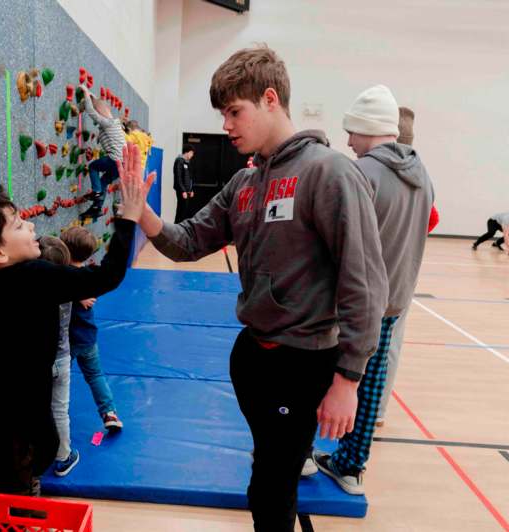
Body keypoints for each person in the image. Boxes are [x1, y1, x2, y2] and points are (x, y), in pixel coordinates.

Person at [132, 45, 388, 531]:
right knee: (269, 470)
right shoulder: (244, 182)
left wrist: (348, 381)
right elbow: (188, 242)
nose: (226, 125)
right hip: (253, 355)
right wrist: (141, 213)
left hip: (304, 360)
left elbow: (365, 283)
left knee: (271, 485)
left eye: (234, 111)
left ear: (270, 99)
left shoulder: (328, 172)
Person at [0, 144, 150, 495]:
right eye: (18, 225)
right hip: (15, 447)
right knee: (13, 509)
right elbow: (107, 276)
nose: (30, 226)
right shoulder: (32, 277)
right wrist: (128, 218)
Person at [308, 87, 434, 496]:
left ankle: (301, 454)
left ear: (367, 129)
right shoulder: (422, 175)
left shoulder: (361, 173)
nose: (347, 141)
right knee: (369, 387)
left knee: (319, 379)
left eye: (352, 132)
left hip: (353, 305)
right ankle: (350, 465)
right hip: (394, 301)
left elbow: (338, 244)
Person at [376, 106, 439, 427]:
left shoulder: (381, 173)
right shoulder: (420, 175)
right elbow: (433, 219)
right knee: (390, 346)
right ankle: (377, 411)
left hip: (381, 275)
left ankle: (368, 409)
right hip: (403, 274)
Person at [61, 227, 123, 431]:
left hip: (68, 342)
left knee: (60, 379)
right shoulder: (89, 276)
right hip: (88, 339)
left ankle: (56, 414)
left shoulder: (62, 276)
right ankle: (109, 412)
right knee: (95, 376)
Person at [36, 236, 80, 477]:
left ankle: (35, 454)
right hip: (60, 357)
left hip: (37, 359)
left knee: (37, 408)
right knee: (59, 409)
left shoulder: (29, 291)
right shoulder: (67, 286)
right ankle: (63, 456)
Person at [79, 85, 128, 220]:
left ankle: (97, 192)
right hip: (122, 163)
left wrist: (85, 92)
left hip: (115, 159)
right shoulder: (114, 122)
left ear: (100, 113)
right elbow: (98, 105)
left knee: (93, 166)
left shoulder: (107, 123)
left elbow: (91, 110)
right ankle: (97, 208)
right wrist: (92, 96)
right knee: (104, 180)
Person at [173, 144, 195, 223]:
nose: (192, 155)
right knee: (181, 211)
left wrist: (191, 189)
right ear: (188, 152)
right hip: (182, 191)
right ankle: (177, 227)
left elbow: (190, 177)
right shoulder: (179, 161)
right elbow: (178, 177)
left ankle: (182, 228)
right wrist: (183, 191)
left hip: (188, 191)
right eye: (192, 153)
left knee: (186, 212)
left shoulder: (187, 162)